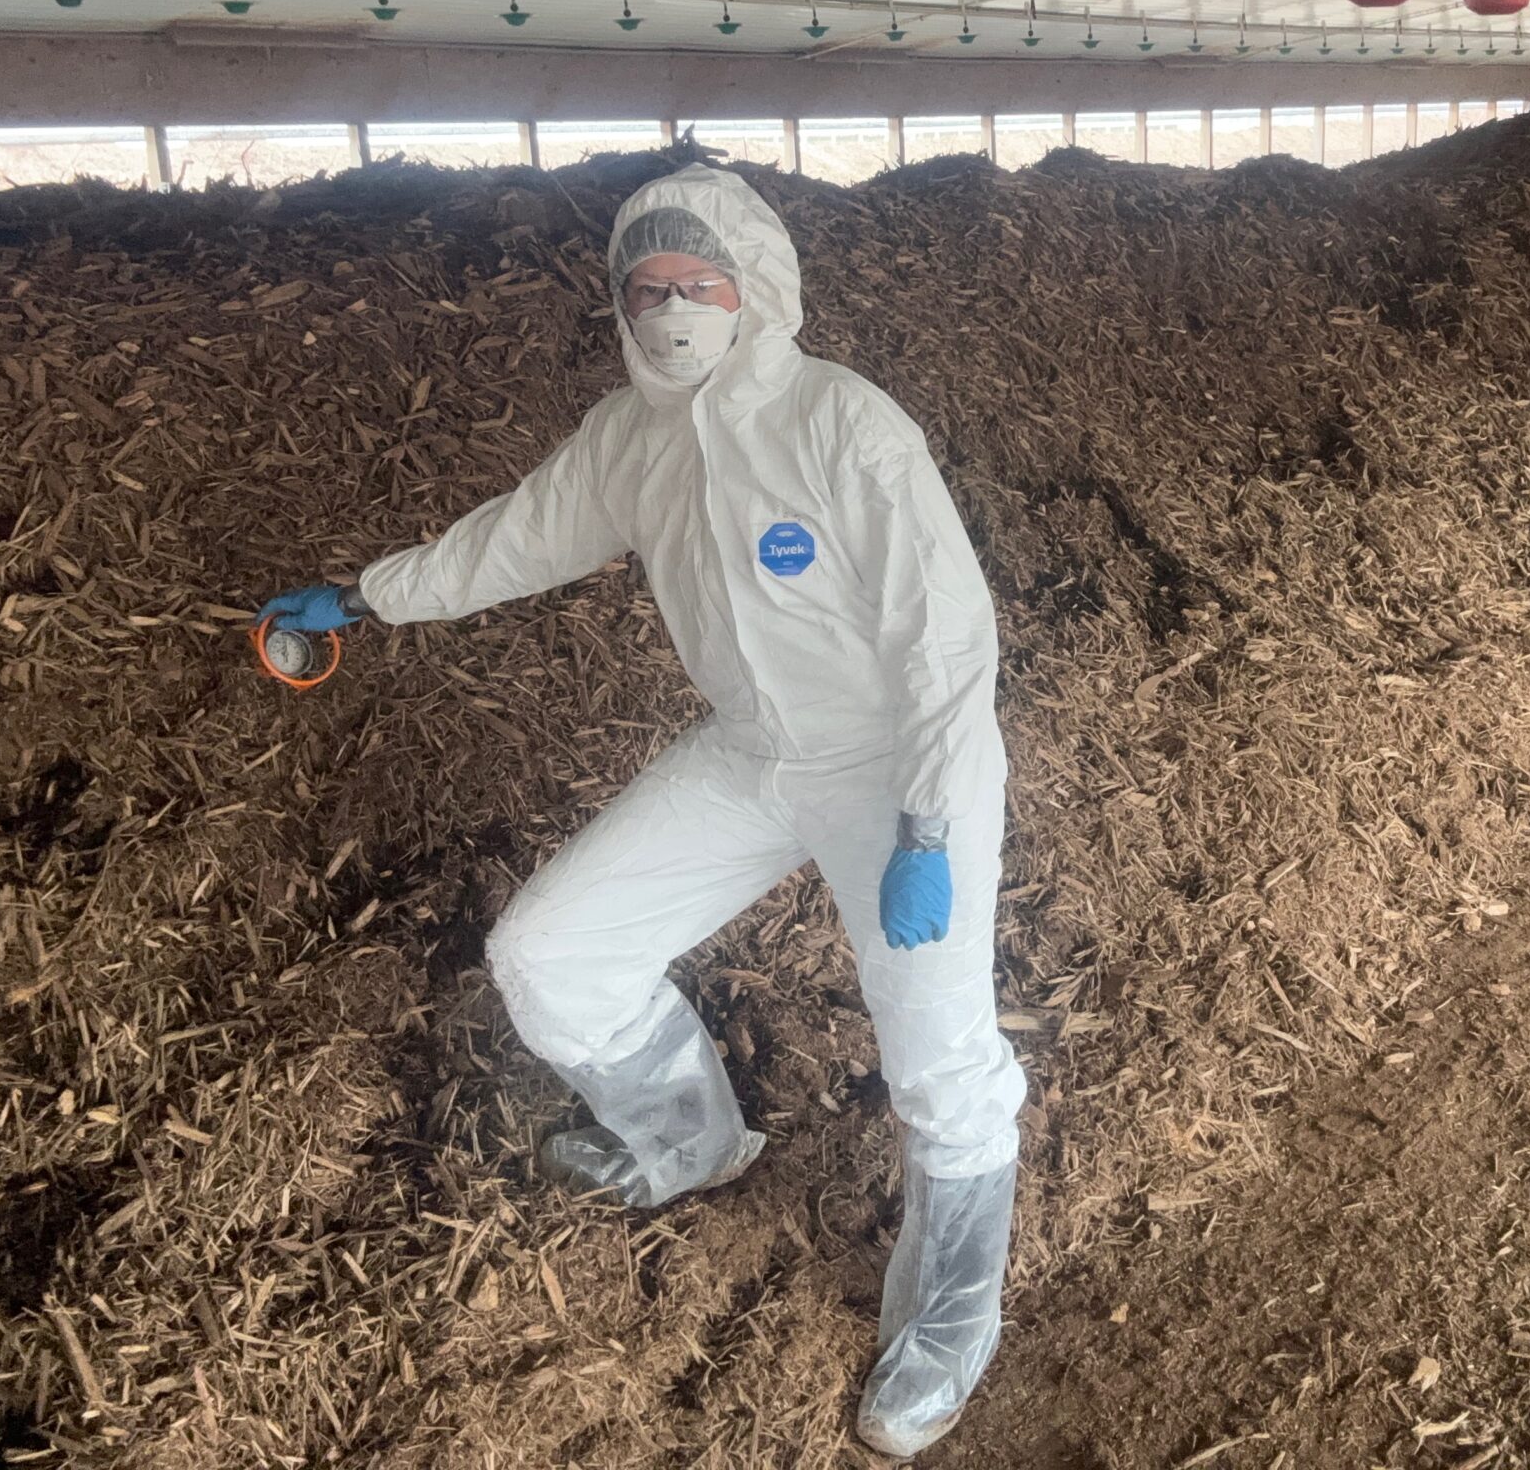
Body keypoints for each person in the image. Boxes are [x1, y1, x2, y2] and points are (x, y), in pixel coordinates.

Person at [257, 160, 1023, 1458]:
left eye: (699, 282)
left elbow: (947, 646)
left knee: (939, 1054)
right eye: (648, 286)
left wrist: (930, 829)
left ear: (753, 291)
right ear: (620, 304)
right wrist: (369, 595)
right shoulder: (632, 437)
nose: (673, 307)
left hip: (895, 768)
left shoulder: (845, 425)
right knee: (550, 951)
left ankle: (950, 1326)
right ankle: (687, 1140)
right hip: (753, 751)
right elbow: (513, 537)